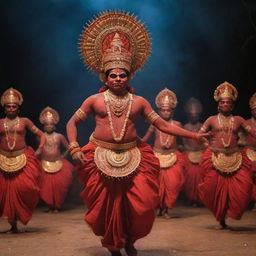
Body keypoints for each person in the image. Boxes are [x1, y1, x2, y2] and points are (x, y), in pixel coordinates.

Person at [66, 11, 207, 256]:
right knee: (107, 207)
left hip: (133, 156)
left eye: (122, 75)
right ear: (105, 76)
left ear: (129, 75)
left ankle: (130, 240)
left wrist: (194, 136)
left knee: (138, 204)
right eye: (113, 75)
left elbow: (163, 125)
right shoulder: (94, 100)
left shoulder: (140, 102)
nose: (118, 78)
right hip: (100, 156)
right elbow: (71, 123)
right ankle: (114, 245)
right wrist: (74, 147)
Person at [198, 82, 253, 229]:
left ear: (232, 105)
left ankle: (231, 212)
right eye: (222, 102)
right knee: (213, 189)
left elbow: (252, 132)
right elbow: (199, 135)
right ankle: (221, 219)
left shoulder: (240, 120)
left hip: (235, 157)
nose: (225, 104)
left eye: (228, 102)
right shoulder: (211, 120)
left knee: (245, 184)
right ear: (218, 104)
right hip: (215, 157)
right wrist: (207, 145)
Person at [0, 88, 45, 233]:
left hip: (23, 159)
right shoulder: (0, 122)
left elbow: (41, 135)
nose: (11, 109)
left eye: (14, 106)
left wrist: (40, 148)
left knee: (25, 188)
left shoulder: (25, 121)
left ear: (18, 108)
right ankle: (13, 225)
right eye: (8, 106)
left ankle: (19, 217)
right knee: (5, 193)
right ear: (4, 108)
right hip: (3, 160)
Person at [141, 88, 184, 218]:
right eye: (163, 110)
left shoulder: (177, 124)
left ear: (172, 111)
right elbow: (144, 139)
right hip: (156, 157)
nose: (166, 112)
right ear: (159, 111)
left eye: (168, 110)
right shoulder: (154, 124)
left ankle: (166, 209)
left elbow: (186, 138)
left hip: (173, 157)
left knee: (173, 185)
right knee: (156, 186)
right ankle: (159, 208)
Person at [37, 107, 73, 212]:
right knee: (46, 187)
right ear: (44, 126)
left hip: (59, 164)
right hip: (44, 164)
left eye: (51, 124)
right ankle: (50, 205)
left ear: (55, 125)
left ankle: (57, 206)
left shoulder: (59, 136)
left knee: (58, 187)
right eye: (47, 125)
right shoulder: (40, 137)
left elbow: (69, 148)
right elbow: (39, 149)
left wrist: (63, 156)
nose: (49, 126)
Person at [182, 97, 205, 206]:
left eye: (196, 115)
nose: (194, 116)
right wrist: (189, 150)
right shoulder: (185, 127)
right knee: (190, 178)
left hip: (201, 154)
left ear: (199, 115)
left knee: (201, 177)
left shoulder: (202, 127)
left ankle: (200, 199)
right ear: (188, 115)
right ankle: (191, 199)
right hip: (189, 154)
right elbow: (185, 142)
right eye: (192, 115)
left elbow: (205, 141)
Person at [243, 93, 256, 210]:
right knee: (248, 179)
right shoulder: (246, 123)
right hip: (249, 152)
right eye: (254, 110)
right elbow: (240, 138)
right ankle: (249, 201)